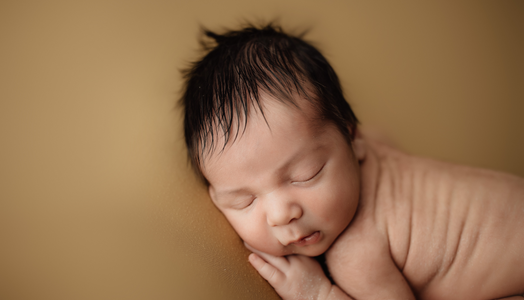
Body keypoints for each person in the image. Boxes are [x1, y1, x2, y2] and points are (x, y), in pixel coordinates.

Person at [180, 24, 524, 300]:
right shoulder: (375, 148)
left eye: (305, 174)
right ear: (215, 197)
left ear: (353, 139)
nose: (281, 214)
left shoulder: (356, 255)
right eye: (244, 200)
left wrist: (317, 293)